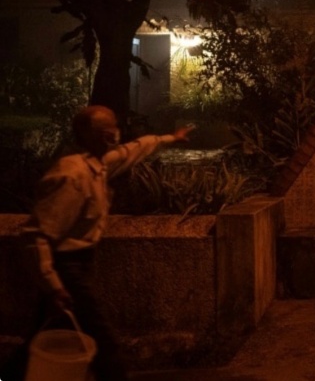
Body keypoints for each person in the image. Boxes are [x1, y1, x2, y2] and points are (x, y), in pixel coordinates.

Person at [15, 105, 194, 381]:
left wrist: (171, 137)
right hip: (67, 268)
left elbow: (134, 150)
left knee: (39, 339)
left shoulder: (98, 165)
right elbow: (37, 235)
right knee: (102, 339)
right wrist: (53, 283)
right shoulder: (71, 175)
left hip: (79, 264)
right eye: (106, 129)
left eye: (114, 126)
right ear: (90, 135)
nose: (114, 133)